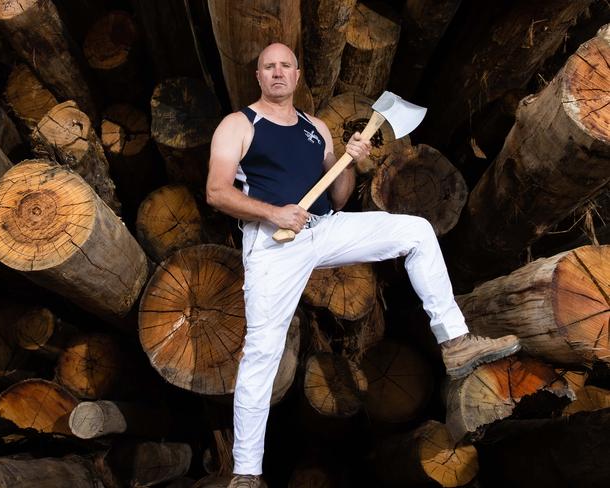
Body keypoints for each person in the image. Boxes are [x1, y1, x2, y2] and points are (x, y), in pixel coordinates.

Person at [206, 43, 520, 488]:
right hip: (274, 241)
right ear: (259, 77)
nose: (277, 73)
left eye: (285, 66)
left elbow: (337, 195)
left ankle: (455, 343)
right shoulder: (239, 124)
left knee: (415, 231)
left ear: (297, 76)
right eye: (268, 67)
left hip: (324, 227)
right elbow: (217, 192)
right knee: (262, 352)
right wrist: (273, 213)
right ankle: (246, 474)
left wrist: (349, 160)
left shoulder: (315, 129)